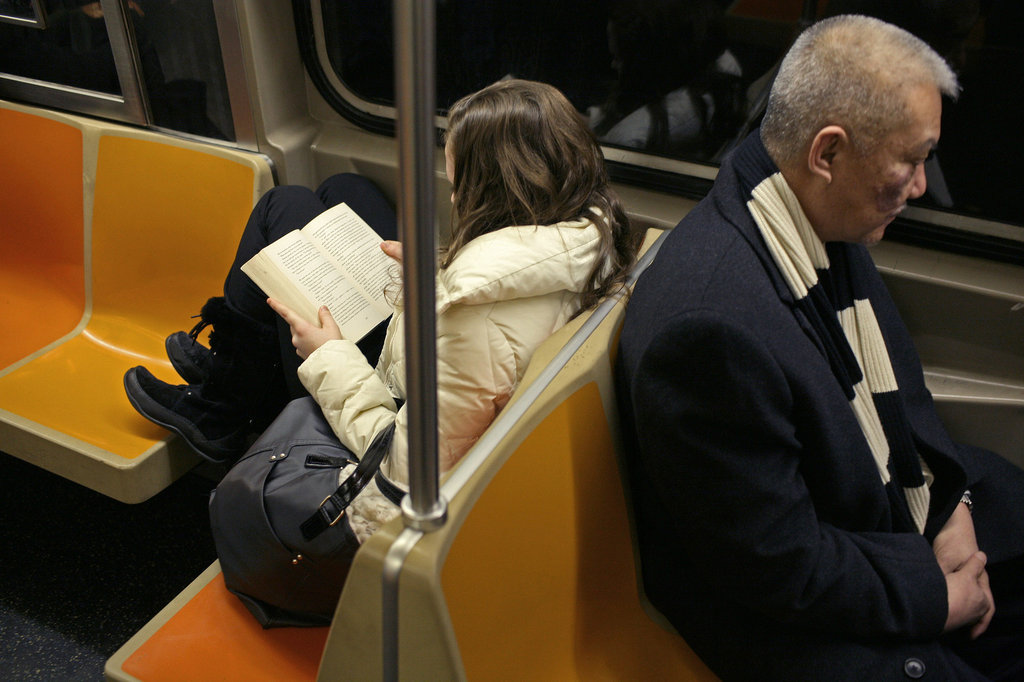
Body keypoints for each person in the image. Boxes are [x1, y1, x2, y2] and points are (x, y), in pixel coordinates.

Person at [615, 15, 1024, 681]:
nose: (921, 187)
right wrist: (934, 590)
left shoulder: (815, 217)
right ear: (827, 153)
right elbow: (780, 565)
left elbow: (900, 384)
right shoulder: (708, 331)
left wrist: (953, 510)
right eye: (912, 160)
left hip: (883, 517)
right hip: (800, 620)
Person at [126, 78, 642, 539]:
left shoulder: (470, 325)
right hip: (419, 360)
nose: (455, 191)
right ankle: (236, 380)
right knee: (344, 190)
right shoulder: (587, 229)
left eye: (459, 179)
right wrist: (439, 275)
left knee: (280, 209)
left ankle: (224, 403)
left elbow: (402, 473)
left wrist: (327, 355)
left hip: (382, 412)